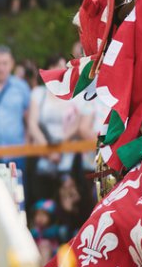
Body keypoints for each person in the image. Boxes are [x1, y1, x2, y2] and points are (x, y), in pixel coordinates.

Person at [26, 55, 95, 192]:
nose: (62, 70)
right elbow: (32, 124)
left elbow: (78, 123)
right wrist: (48, 150)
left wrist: (60, 147)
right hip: (42, 154)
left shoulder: (78, 93)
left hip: (69, 156)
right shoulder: (38, 93)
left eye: (65, 67)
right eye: (57, 66)